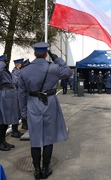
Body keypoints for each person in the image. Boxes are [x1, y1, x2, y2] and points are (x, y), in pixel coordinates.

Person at [18, 42, 72, 179]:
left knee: (35, 137)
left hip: (33, 103)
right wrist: (57, 59)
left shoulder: (24, 70)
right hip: (49, 102)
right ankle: (45, 167)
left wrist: (23, 113)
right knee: (48, 137)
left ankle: (36, 170)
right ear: (47, 53)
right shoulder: (53, 67)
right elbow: (68, 71)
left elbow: (21, 94)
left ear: (35, 53)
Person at [0, 54, 17, 151]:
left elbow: (14, 80)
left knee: (6, 119)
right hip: (3, 95)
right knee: (2, 119)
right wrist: (1, 64)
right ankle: (0, 143)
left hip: (8, 95)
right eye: (5, 61)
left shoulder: (5, 72)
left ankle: (3, 141)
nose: (6, 63)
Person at [11, 58, 24, 138]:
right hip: (16, 94)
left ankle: (16, 129)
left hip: (20, 93)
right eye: (21, 64)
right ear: (18, 65)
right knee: (16, 112)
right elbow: (16, 82)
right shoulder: (15, 72)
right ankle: (14, 130)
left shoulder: (19, 71)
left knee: (19, 112)